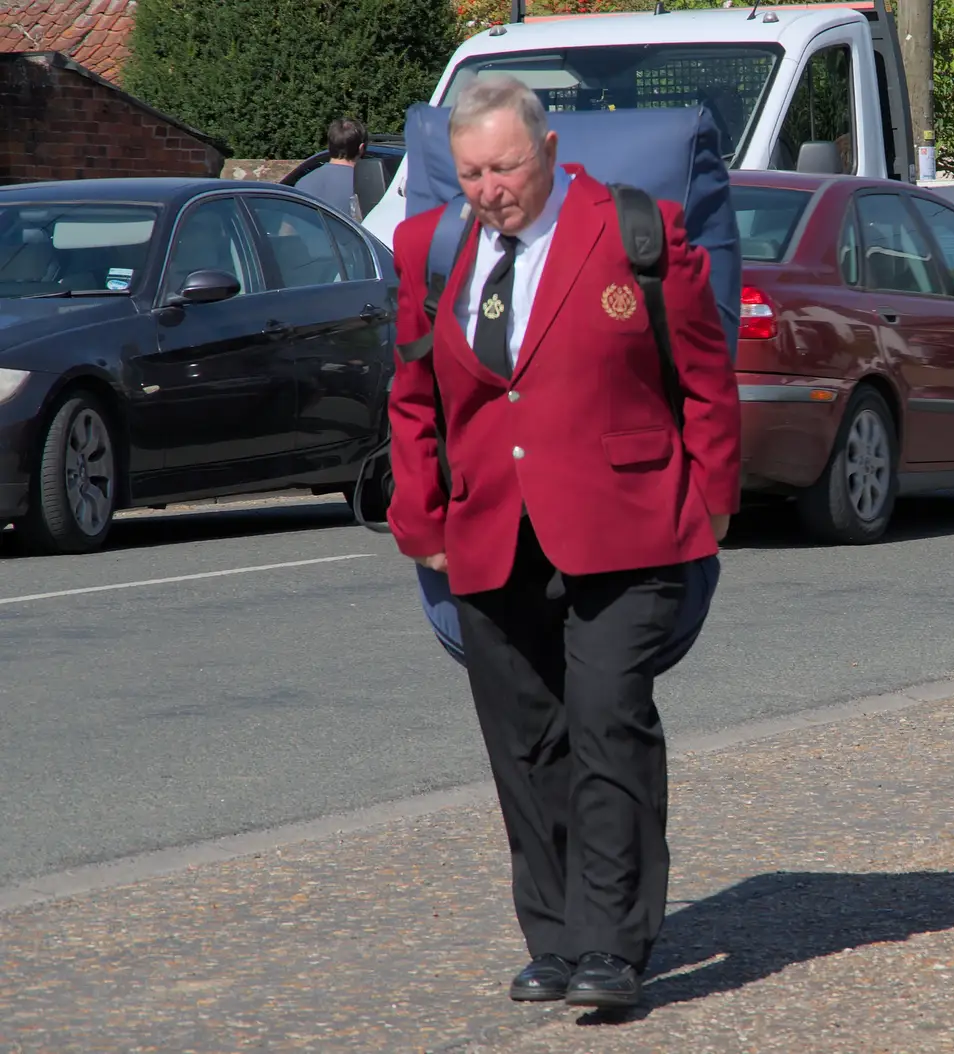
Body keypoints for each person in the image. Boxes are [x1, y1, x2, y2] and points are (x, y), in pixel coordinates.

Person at [385, 75, 741, 1009]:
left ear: (546, 152)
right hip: (489, 530)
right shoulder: (431, 250)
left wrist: (713, 502)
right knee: (525, 743)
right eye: (469, 173)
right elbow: (415, 399)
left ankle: (614, 948)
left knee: (607, 721)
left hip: (627, 525)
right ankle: (552, 937)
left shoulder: (635, 230)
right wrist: (419, 520)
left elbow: (707, 375)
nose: (489, 189)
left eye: (504, 167)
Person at [295, 117, 367, 219]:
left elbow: (288, 229)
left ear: (329, 145)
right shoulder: (369, 185)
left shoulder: (304, 182)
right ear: (361, 148)